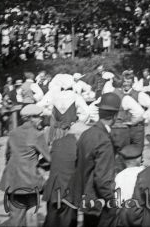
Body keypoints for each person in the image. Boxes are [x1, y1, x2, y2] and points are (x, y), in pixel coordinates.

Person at [71, 92, 121, 227]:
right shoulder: (104, 140)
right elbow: (102, 180)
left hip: (86, 200)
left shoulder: (86, 134)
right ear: (115, 115)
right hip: (100, 203)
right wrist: (113, 203)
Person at [0, 104, 50, 227]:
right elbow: (49, 158)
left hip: (12, 179)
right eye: (39, 117)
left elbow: (8, 155)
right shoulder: (37, 134)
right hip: (30, 180)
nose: (41, 120)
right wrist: (41, 166)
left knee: (16, 217)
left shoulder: (13, 133)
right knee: (32, 214)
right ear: (30, 118)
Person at [43, 121, 89, 227]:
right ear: (79, 134)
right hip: (69, 191)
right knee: (68, 222)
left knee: (51, 220)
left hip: (53, 189)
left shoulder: (56, 142)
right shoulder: (80, 146)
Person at [38, 74, 90, 144]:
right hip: (72, 129)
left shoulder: (54, 96)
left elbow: (39, 106)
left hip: (57, 130)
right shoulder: (76, 96)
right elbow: (87, 112)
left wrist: (50, 113)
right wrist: (79, 121)